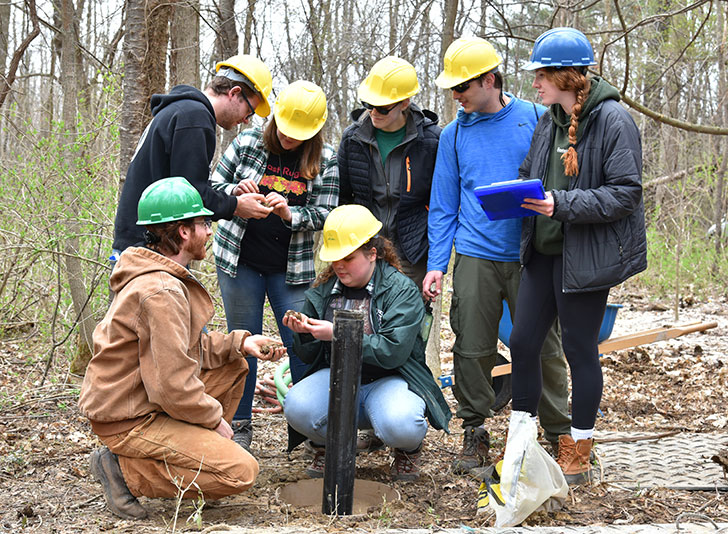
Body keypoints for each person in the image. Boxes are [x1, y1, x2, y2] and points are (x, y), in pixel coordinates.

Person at [80, 177, 287, 519]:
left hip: (142, 400)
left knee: (235, 363)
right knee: (241, 471)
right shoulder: (161, 291)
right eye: (204, 223)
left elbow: (189, 347)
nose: (209, 231)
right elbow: (171, 384)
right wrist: (213, 419)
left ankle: (184, 452)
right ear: (184, 232)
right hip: (129, 418)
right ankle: (123, 470)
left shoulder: (161, 275)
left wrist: (242, 342)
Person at [422, 37, 571, 474]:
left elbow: (561, 182)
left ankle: (560, 433)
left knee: (543, 344)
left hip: (530, 254)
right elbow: (445, 204)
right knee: (472, 346)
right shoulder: (453, 135)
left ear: (489, 80)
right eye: (451, 89)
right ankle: (475, 431)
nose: (456, 97)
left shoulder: (536, 119)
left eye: (462, 88)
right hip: (475, 255)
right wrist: (436, 264)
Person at [510, 27, 646, 483]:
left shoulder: (613, 120)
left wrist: (561, 204)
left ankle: (580, 449)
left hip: (585, 257)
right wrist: (515, 192)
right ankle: (521, 447)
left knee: (578, 350)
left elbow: (625, 193)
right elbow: (533, 173)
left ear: (567, 75)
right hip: (542, 253)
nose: (535, 84)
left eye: (541, 75)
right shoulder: (549, 120)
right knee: (523, 342)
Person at [210, 80, 339, 450]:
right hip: (240, 262)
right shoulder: (248, 143)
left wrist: (289, 213)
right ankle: (240, 423)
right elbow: (211, 186)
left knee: (302, 341)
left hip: (291, 269)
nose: (288, 139)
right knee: (243, 341)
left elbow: (328, 214)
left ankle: (310, 425)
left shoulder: (325, 159)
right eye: (283, 130)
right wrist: (236, 193)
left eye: (297, 135)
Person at [282, 205, 452, 482]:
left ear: (372, 254)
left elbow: (393, 352)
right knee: (296, 406)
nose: (338, 266)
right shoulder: (323, 291)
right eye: (334, 258)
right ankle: (330, 445)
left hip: (388, 379)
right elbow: (310, 355)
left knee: (402, 423)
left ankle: (407, 450)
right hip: (336, 378)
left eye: (347, 258)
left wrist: (337, 333)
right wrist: (304, 333)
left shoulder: (401, 291)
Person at [111, 55, 275, 257]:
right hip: (150, 246)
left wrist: (232, 194)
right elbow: (191, 195)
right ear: (234, 93)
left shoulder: (183, 111)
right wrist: (236, 206)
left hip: (141, 240)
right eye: (249, 111)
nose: (246, 121)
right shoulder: (194, 119)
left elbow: (184, 184)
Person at [337, 57, 441, 288]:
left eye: (382, 107)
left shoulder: (431, 141)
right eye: (368, 104)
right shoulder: (353, 139)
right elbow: (342, 197)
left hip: (412, 250)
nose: (374, 112)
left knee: (407, 318)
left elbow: (441, 203)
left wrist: (434, 257)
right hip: (365, 249)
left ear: (404, 102)